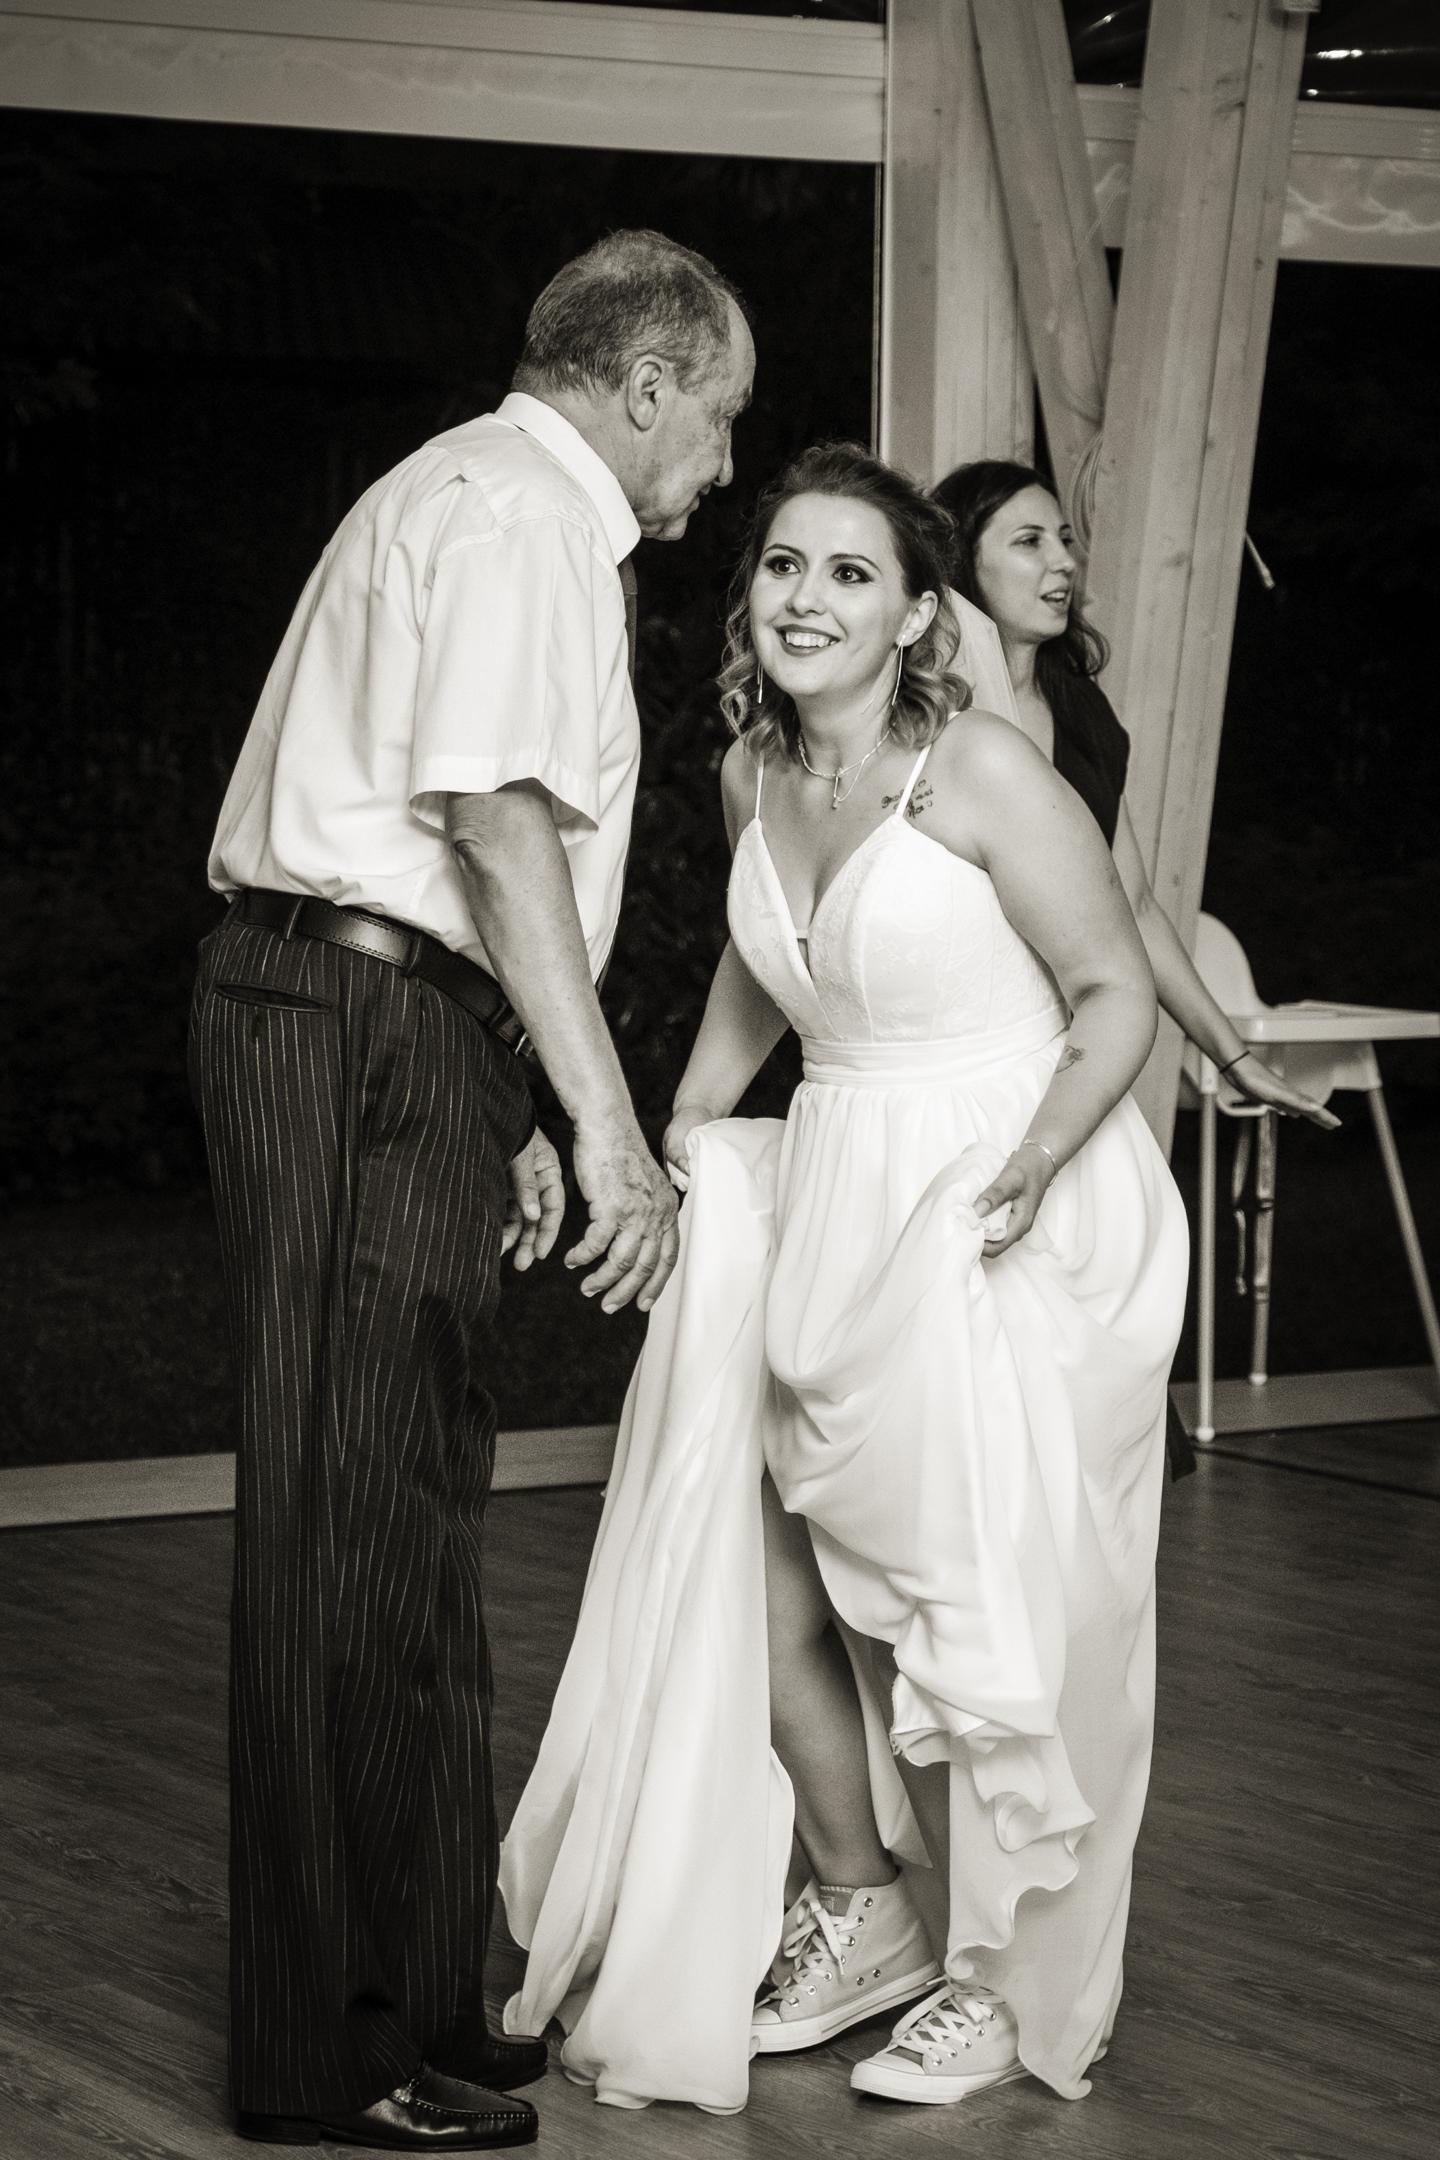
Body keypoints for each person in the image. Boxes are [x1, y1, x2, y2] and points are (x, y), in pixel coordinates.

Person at [500, 443, 1189, 2113]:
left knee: (989, 1612)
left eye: (852, 573)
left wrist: (1030, 1164)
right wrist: (679, 1123)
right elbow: (774, 965)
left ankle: (1006, 1984)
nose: (808, 598)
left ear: (915, 616)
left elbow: (1114, 991)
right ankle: (864, 1909)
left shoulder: (981, 771)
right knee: (772, 1582)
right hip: (837, 1189)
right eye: (785, 565)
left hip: (1008, 1195)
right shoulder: (755, 774)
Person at [190, 228, 755, 2151]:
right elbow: (495, 828)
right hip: (347, 1018)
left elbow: (464, 873)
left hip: (395, 1022)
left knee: (414, 1513)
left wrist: (499, 1088)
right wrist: (602, 1127)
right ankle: (330, 2051)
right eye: (719, 419)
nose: (724, 467)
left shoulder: (491, 500)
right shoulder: (518, 513)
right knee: (348, 1524)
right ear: (648, 384)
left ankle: (427, 1992)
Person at [930, 460, 1339, 1134]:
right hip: (946, 1067)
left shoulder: (1083, 716)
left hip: (1062, 1063)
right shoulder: (925, 720)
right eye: (1030, 541)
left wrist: (1232, 1056)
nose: (1064, 561)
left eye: (1065, 539)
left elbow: (1134, 905)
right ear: (960, 564)